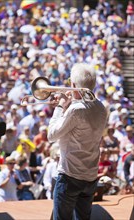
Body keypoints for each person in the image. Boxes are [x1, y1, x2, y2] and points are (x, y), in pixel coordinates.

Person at [47, 63, 107, 220]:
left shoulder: (76, 110)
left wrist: (60, 107)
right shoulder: (101, 107)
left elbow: (51, 135)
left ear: (73, 85)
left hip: (70, 177)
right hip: (90, 176)